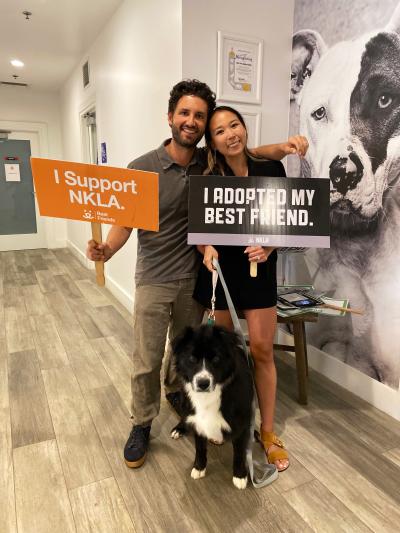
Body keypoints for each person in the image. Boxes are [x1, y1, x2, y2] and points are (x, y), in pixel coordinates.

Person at [86, 80, 308, 469]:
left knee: (198, 355)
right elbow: (131, 223)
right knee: (148, 357)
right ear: (170, 117)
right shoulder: (157, 168)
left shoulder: (224, 163)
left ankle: (219, 413)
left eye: (201, 117)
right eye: (186, 114)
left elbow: (256, 160)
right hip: (170, 276)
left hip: (207, 280)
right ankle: (142, 422)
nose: (193, 122)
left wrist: (286, 146)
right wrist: (107, 249)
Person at [193, 105, 291, 472]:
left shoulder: (271, 169)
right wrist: (206, 248)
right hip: (221, 273)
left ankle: (267, 431)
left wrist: (269, 246)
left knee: (263, 349)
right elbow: (199, 234)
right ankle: (224, 417)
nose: (230, 134)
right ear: (212, 141)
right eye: (220, 131)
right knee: (223, 355)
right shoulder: (206, 176)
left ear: (245, 128)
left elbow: (287, 224)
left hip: (259, 273)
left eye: (234, 125)